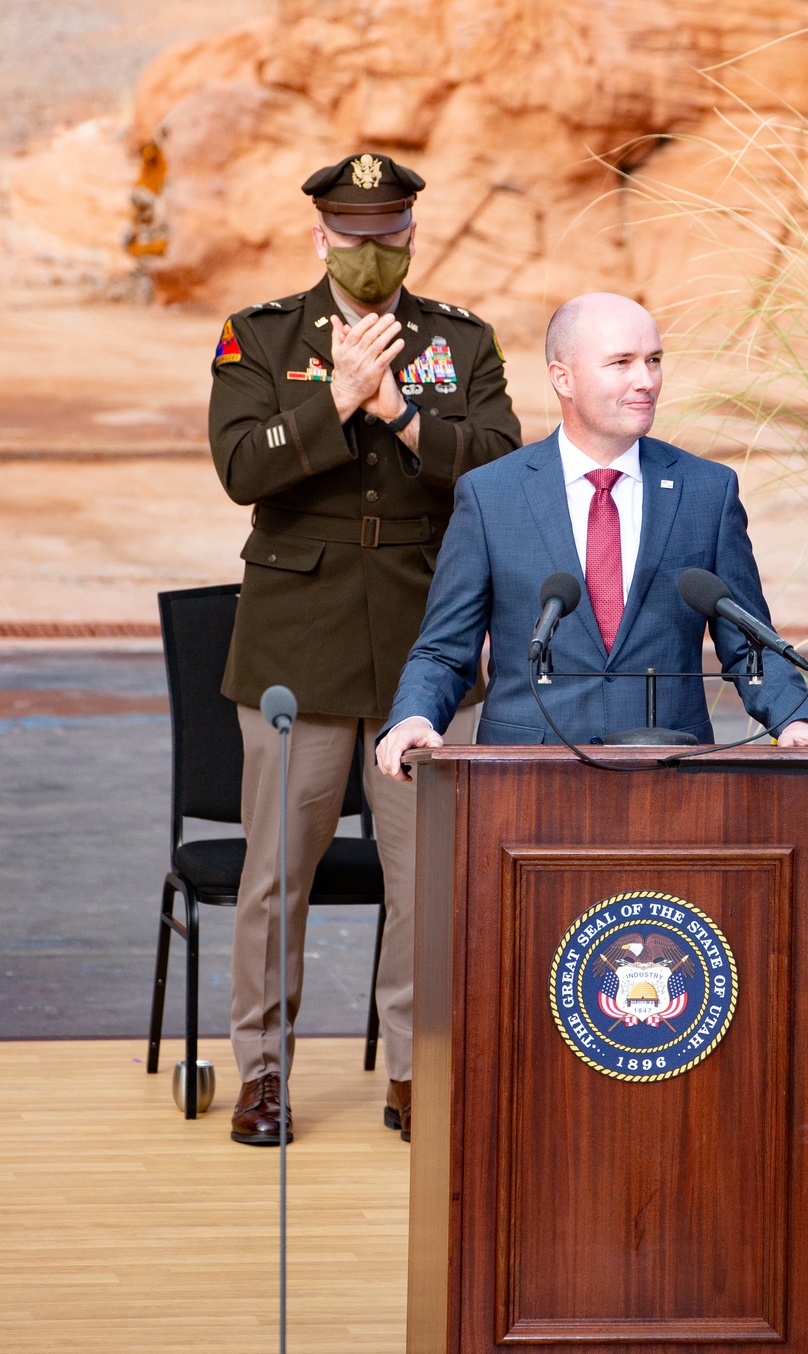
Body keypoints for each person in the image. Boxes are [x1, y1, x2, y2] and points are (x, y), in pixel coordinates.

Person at [209, 153, 521, 1146]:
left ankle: (414, 1074)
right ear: (319, 237)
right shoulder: (260, 337)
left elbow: (502, 464)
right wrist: (336, 399)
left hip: (419, 648)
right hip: (295, 645)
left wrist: (400, 413)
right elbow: (238, 465)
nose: (371, 251)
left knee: (424, 881)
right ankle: (262, 1074)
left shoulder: (457, 342)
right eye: (353, 234)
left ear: (412, 236)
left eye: (388, 234)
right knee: (276, 877)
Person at [377, 291, 808, 782]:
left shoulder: (707, 490)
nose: (646, 381)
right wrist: (415, 716)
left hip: (671, 775)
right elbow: (445, 648)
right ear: (563, 378)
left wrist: (796, 717)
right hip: (523, 781)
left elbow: (748, 644)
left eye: (654, 360)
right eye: (621, 362)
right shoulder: (491, 495)